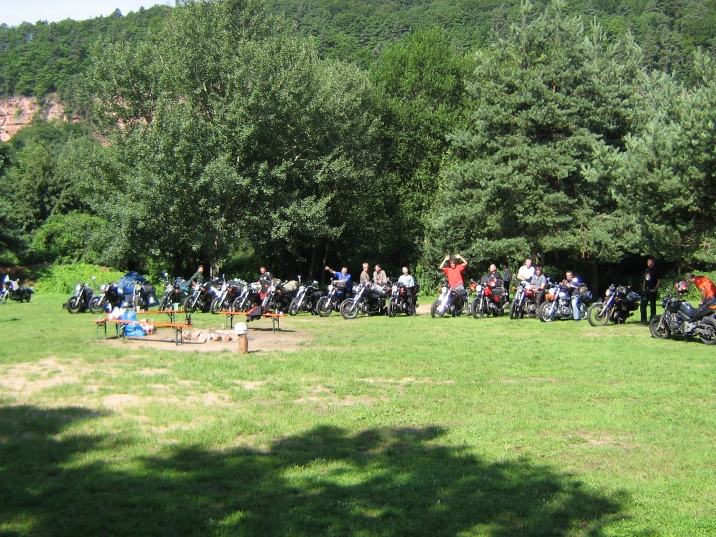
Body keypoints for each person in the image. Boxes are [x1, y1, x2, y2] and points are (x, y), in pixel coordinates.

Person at [640, 257, 662, 325]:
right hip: (646, 290)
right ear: (647, 263)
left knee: (652, 306)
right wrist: (643, 288)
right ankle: (643, 320)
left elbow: (659, 281)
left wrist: (655, 289)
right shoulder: (647, 270)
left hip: (652, 290)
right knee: (643, 305)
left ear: (654, 263)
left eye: (651, 262)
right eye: (649, 262)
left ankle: (652, 321)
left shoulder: (656, 270)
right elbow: (645, 279)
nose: (650, 263)